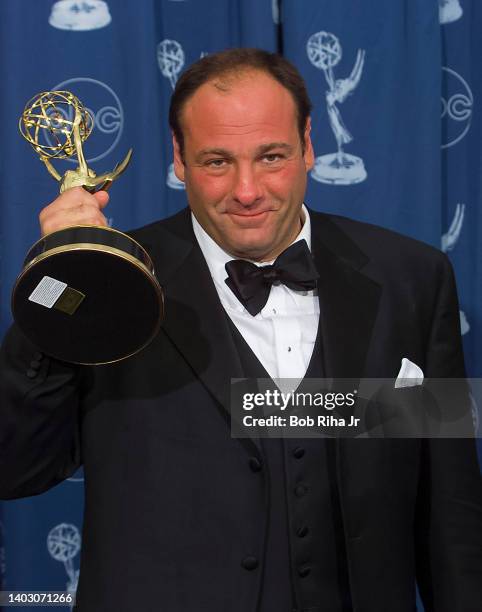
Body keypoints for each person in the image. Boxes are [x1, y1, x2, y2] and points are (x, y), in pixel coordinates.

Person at [1, 48, 481, 612]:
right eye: (217, 162)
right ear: (178, 158)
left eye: (271, 156)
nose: (248, 191)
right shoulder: (112, 282)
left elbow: (451, 512)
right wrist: (62, 276)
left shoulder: (413, 277)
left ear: (307, 144)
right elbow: (14, 467)